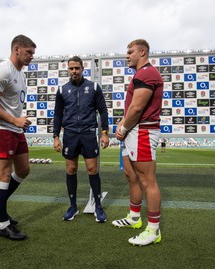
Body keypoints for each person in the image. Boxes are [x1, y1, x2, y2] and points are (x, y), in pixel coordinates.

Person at [0, 34, 36, 241]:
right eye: (29, 52)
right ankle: (3, 224)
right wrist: (14, 120)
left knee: (23, 169)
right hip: (2, 129)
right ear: (16, 50)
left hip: (14, 129)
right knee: (3, 175)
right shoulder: (3, 69)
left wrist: (18, 121)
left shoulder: (20, 74)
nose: (31, 56)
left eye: (33, 53)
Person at [112, 39, 163, 246]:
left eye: (130, 52)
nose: (127, 55)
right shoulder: (140, 74)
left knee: (146, 180)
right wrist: (123, 124)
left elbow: (137, 109)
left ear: (142, 52)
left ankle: (153, 230)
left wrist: (123, 128)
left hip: (142, 131)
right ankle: (134, 218)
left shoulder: (147, 73)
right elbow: (131, 109)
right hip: (134, 131)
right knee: (131, 176)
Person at [53, 56, 109, 223]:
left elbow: (103, 111)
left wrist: (104, 132)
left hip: (88, 133)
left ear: (82, 68)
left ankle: (98, 206)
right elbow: (57, 114)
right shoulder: (62, 90)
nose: (74, 71)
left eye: (77, 68)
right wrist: (56, 136)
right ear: (68, 70)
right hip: (70, 134)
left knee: (92, 169)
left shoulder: (93, 87)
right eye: (71, 69)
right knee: (71, 170)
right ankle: (73, 206)